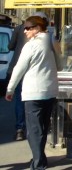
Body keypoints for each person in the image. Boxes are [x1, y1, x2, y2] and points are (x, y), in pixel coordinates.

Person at [5, 15, 59, 170]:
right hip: (50, 89)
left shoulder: (30, 46)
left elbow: (19, 69)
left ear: (37, 29)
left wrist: (10, 89)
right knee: (42, 127)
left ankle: (39, 163)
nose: (25, 31)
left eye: (28, 28)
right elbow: (60, 65)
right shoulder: (52, 41)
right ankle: (39, 158)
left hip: (34, 91)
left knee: (34, 130)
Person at [7, 12, 50, 141]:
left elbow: (11, 46)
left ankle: (20, 128)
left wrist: (10, 89)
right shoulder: (46, 36)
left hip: (19, 67)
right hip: (34, 72)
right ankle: (37, 128)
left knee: (20, 100)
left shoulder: (19, 28)